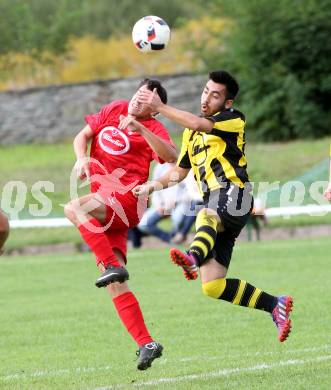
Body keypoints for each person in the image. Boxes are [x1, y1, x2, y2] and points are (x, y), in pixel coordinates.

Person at [133, 70, 293, 343]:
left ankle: (193, 257)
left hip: (235, 194)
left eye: (215, 94)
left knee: (206, 213)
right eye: (206, 91)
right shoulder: (190, 135)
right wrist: (151, 186)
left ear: (227, 102)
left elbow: (199, 123)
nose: (206, 97)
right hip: (218, 205)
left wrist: (159, 107)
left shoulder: (233, 119)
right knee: (213, 285)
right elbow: (180, 172)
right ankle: (274, 305)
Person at [64, 79, 177, 370]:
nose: (139, 100)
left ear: (156, 109)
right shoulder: (114, 109)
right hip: (105, 204)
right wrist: (81, 159)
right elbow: (82, 135)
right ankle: (146, 343)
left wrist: (139, 127)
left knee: (74, 208)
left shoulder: (153, 128)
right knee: (115, 284)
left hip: (127, 200)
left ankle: (110, 264)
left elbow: (170, 156)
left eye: (147, 99)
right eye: (138, 93)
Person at [137, 162, 200, 245]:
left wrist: (176, 201)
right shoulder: (160, 167)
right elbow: (155, 188)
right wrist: (159, 205)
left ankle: (178, 237)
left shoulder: (185, 164)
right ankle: (170, 239)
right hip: (164, 205)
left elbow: (192, 190)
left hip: (183, 203)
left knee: (177, 218)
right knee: (143, 224)